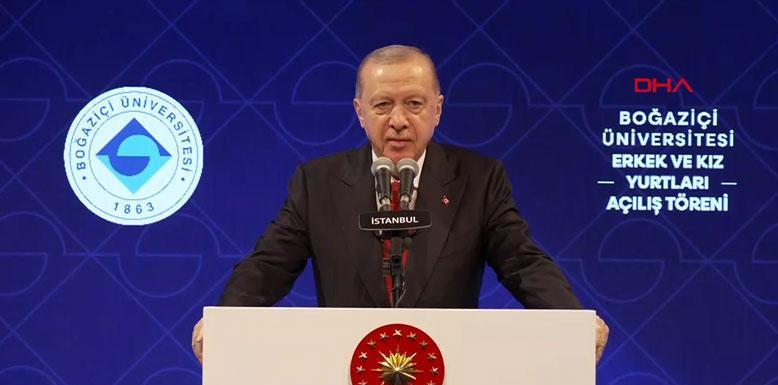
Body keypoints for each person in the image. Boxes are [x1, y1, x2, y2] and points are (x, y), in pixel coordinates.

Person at [192, 45, 609, 364]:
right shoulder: (317, 183)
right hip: (343, 380)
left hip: (451, 378)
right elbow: (269, 266)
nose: (397, 120)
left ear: (437, 109)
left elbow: (522, 261)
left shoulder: (480, 180)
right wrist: (226, 322)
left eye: (414, 104)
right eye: (382, 105)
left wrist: (572, 321)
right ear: (360, 112)